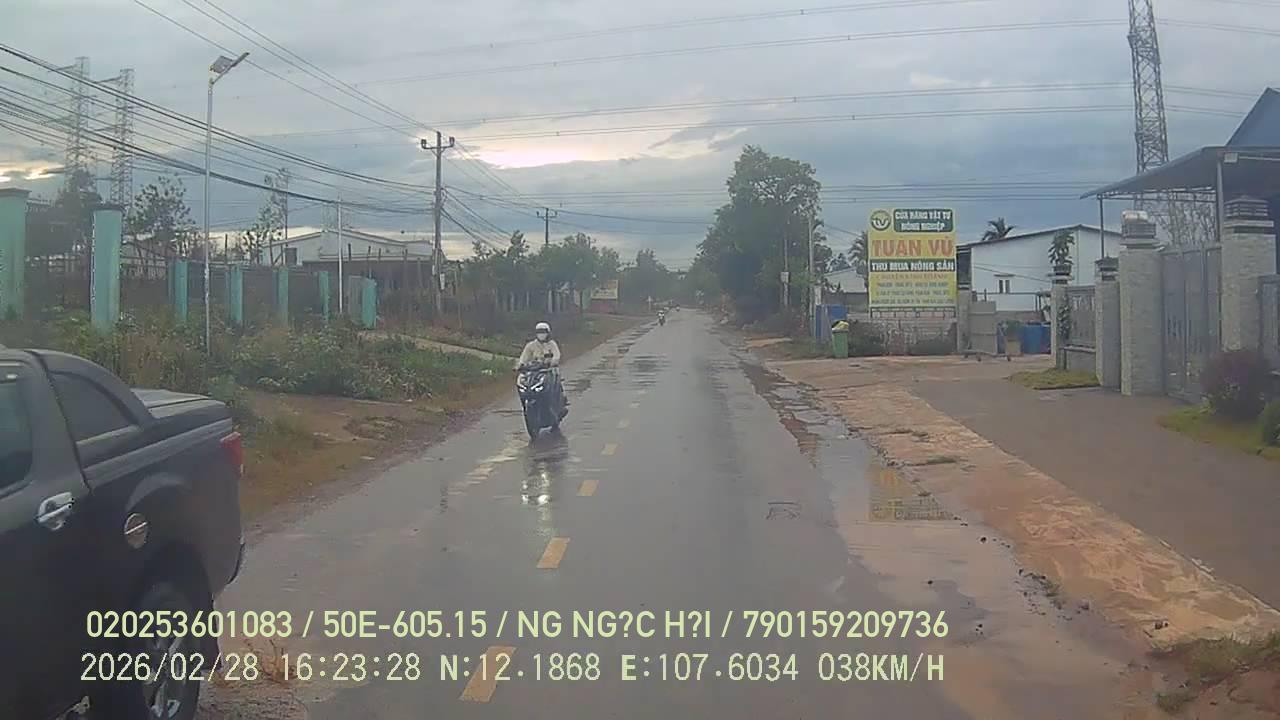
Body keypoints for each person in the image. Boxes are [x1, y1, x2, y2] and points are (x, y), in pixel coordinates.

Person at [517, 322, 567, 413]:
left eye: (543, 332)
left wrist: (553, 362)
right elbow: (524, 358)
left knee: (556, 380)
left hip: (548, 370)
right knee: (526, 386)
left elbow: (557, 355)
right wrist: (520, 365)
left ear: (548, 333)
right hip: (534, 372)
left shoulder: (552, 344)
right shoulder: (530, 345)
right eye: (539, 332)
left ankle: (560, 402)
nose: (541, 334)